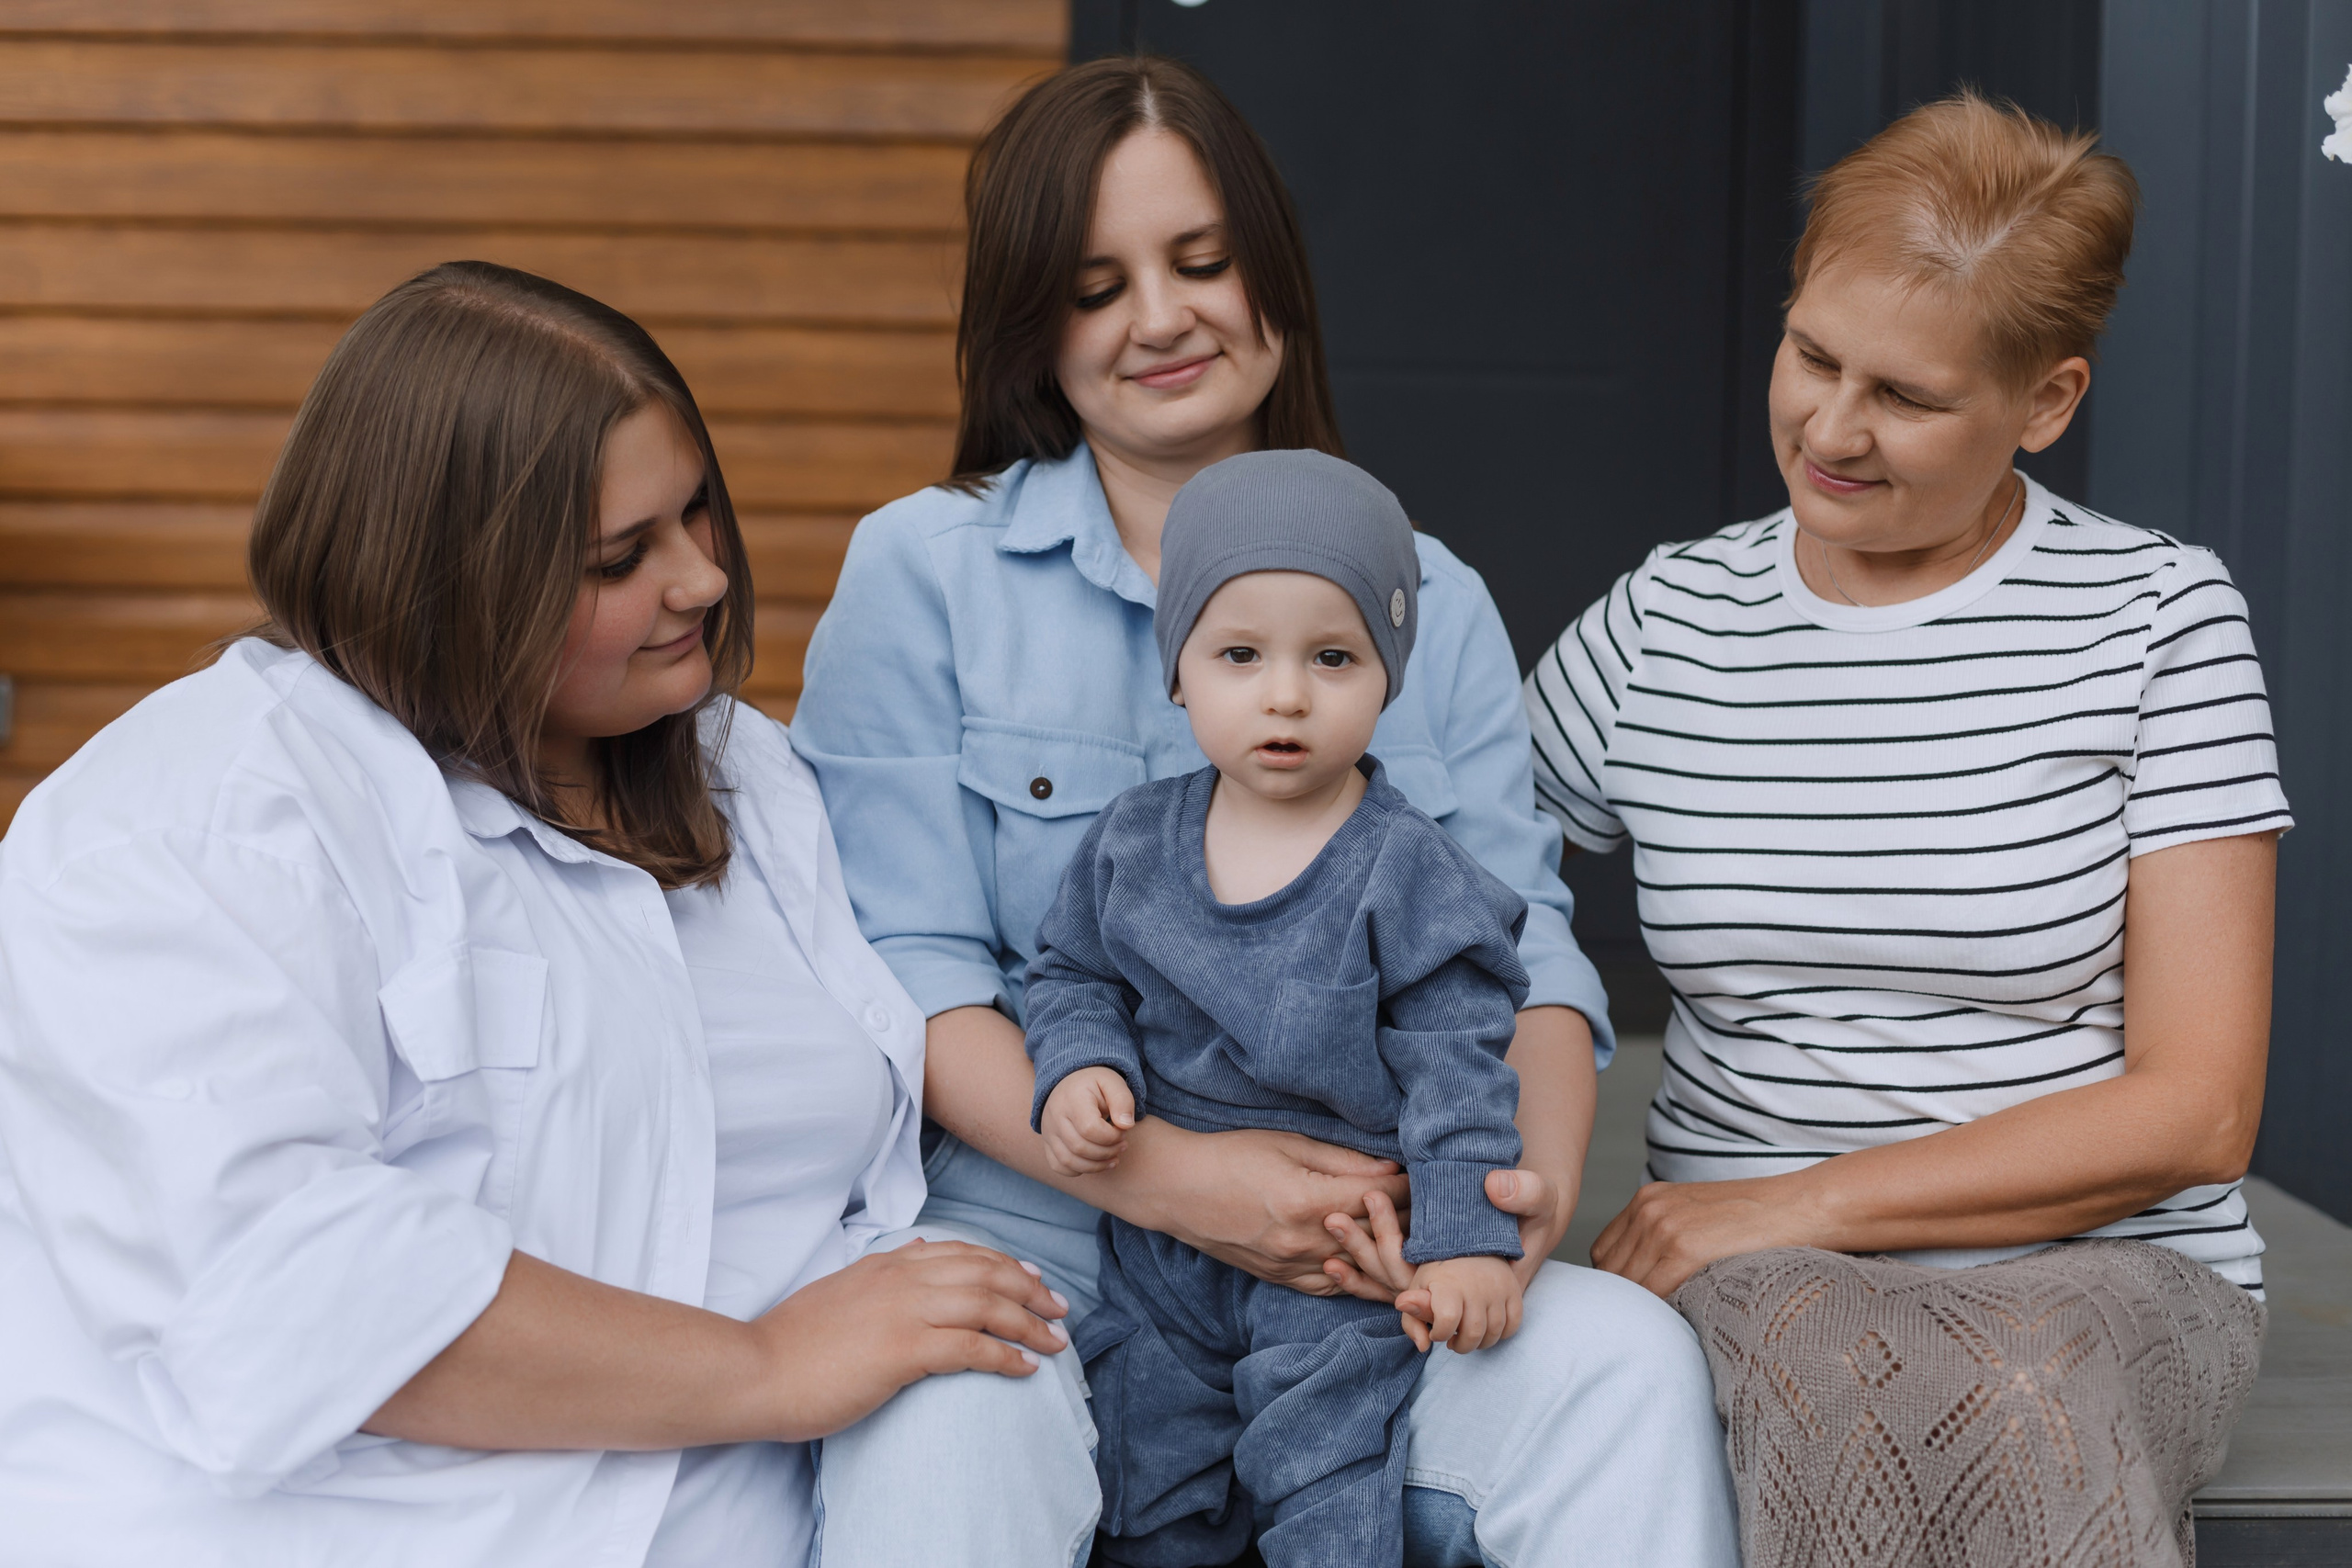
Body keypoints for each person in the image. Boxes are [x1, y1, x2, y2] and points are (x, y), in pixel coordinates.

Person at [792, 53, 1738, 1568]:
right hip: (1039, 1254)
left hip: (1364, 1271)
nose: (1161, 317)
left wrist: (1512, 1200)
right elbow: (900, 968)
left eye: (1200, 261)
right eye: (1097, 286)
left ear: (1271, 274)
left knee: (1622, 1366)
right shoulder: (925, 573)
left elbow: (1532, 961)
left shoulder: (1437, 597)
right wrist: (1179, 1181)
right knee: (937, 1443)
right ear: (1035, 328)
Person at [0, 261, 1094, 1567]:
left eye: (698, 512)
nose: (701, 579)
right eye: (620, 557)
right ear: (444, 584)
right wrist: (762, 1363)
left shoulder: (753, 776)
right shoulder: (197, 818)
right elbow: (278, 1289)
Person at [1526, 93, 2284, 1567]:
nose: (1830, 426)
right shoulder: (1667, 620)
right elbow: (1433, 886)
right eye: (1812, 354)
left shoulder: (2155, 617)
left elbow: (2198, 1105)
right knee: (1825, 1357)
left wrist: (1785, 1202)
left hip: (2104, 1276)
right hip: (1767, 1281)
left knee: (2019, 1384)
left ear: (2048, 400)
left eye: (1908, 396)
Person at [1029, 451, 1532, 1567]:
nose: (1286, 694)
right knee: (1146, 1468)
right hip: (1161, 1252)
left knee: (1325, 1469)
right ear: (1179, 674)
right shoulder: (1129, 844)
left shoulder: (1408, 871)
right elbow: (1069, 974)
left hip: (1339, 1258)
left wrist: (1465, 1239)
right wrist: (1078, 1068)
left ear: (1389, 676)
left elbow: (1461, 1062)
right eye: (1239, 655)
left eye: (1334, 656)